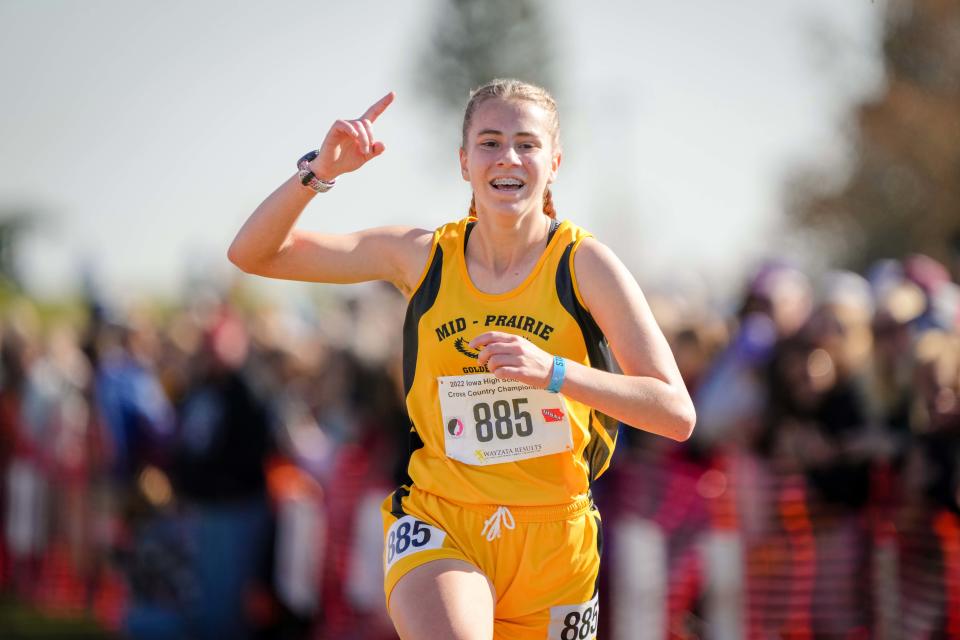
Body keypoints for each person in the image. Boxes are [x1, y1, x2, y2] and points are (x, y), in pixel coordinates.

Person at [228, 79, 695, 640]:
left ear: (555, 163)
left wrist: (554, 372)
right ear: (464, 161)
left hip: (556, 542)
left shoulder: (585, 264)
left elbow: (675, 412)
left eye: (527, 143)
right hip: (442, 519)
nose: (508, 158)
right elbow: (254, 254)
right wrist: (319, 172)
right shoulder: (421, 256)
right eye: (490, 142)